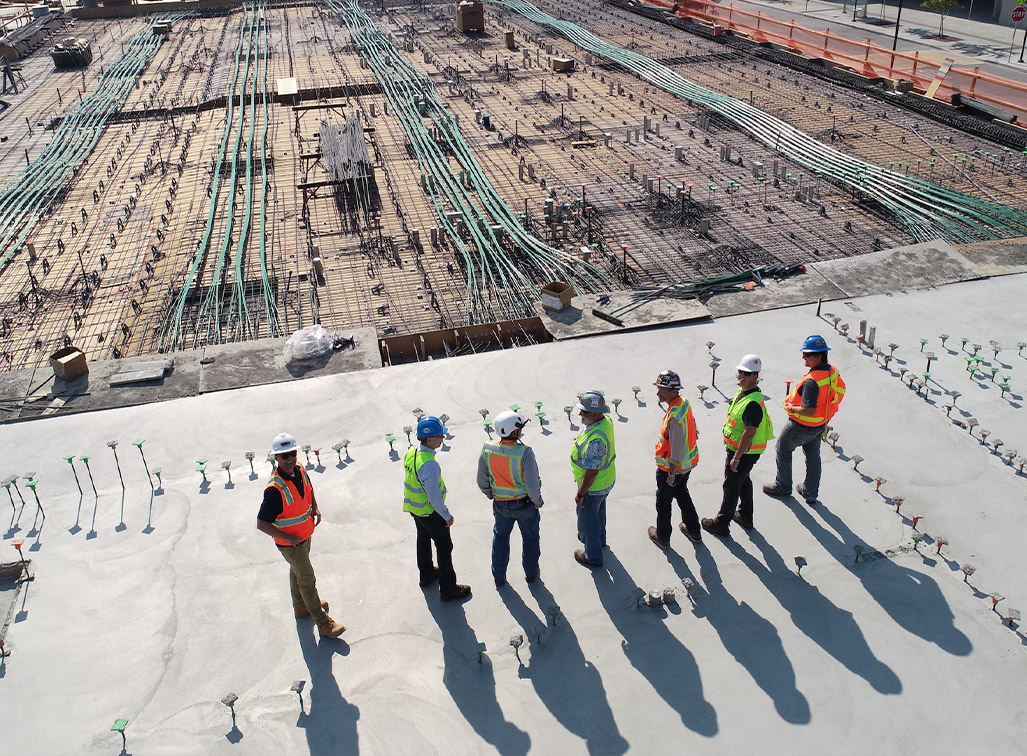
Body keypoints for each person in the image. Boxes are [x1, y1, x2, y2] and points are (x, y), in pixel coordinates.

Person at [257, 432, 346, 638]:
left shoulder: (299, 469)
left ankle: (300, 606)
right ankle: (323, 623)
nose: (289, 459)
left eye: (292, 454)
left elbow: (308, 488)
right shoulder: (274, 489)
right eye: (284, 455)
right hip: (291, 544)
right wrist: (288, 538)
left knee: (296, 571)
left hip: (304, 535)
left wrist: (315, 506)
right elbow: (262, 524)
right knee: (307, 579)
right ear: (276, 458)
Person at [763, 335, 846, 506]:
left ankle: (783, 486)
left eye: (807, 355)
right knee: (813, 456)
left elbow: (809, 409)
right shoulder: (832, 371)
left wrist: (791, 408)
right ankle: (810, 492)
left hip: (801, 426)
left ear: (819, 356)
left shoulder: (811, 382)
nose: (803, 357)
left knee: (783, 449)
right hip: (820, 424)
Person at [702, 355, 774, 537]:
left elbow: (749, 432)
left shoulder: (752, 403)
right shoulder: (745, 393)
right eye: (740, 372)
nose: (741, 376)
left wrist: (736, 457)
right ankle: (745, 515)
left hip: (744, 452)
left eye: (747, 373)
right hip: (742, 450)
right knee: (743, 480)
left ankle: (721, 523)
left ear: (755, 376)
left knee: (731, 486)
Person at [403, 416, 471, 602]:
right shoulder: (430, 465)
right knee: (444, 546)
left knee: (423, 539)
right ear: (430, 438)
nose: (443, 438)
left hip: (414, 508)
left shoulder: (411, 453)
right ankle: (448, 588)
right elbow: (434, 497)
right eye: (440, 436)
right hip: (430, 512)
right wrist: (447, 516)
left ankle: (426, 575)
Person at [477, 410, 544, 587]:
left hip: (500, 505)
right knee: (530, 540)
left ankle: (499, 576)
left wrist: (488, 492)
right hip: (525, 506)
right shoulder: (525, 453)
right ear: (514, 432)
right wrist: (537, 501)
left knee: (500, 539)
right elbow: (532, 484)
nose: (521, 431)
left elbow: (481, 478)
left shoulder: (488, 448)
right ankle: (531, 574)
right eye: (520, 428)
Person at [648, 370, 701, 549]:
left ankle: (663, 537)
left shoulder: (675, 417)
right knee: (682, 494)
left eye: (662, 389)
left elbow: (676, 449)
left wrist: (671, 474)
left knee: (663, 502)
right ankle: (694, 530)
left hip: (672, 469)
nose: (658, 393)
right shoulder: (683, 404)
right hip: (687, 466)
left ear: (673, 391)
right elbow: (692, 424)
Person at [570, 391, 616, 567]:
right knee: (598, 513)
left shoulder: (595, 440)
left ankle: (592, 556)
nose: (580, 414)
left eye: (585, 411)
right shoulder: (606, 421)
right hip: (605, 482)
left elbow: (591, 472)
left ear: (596, 414)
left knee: (588, 520)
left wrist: (581, 494)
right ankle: (600, 540)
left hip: (594, 487)